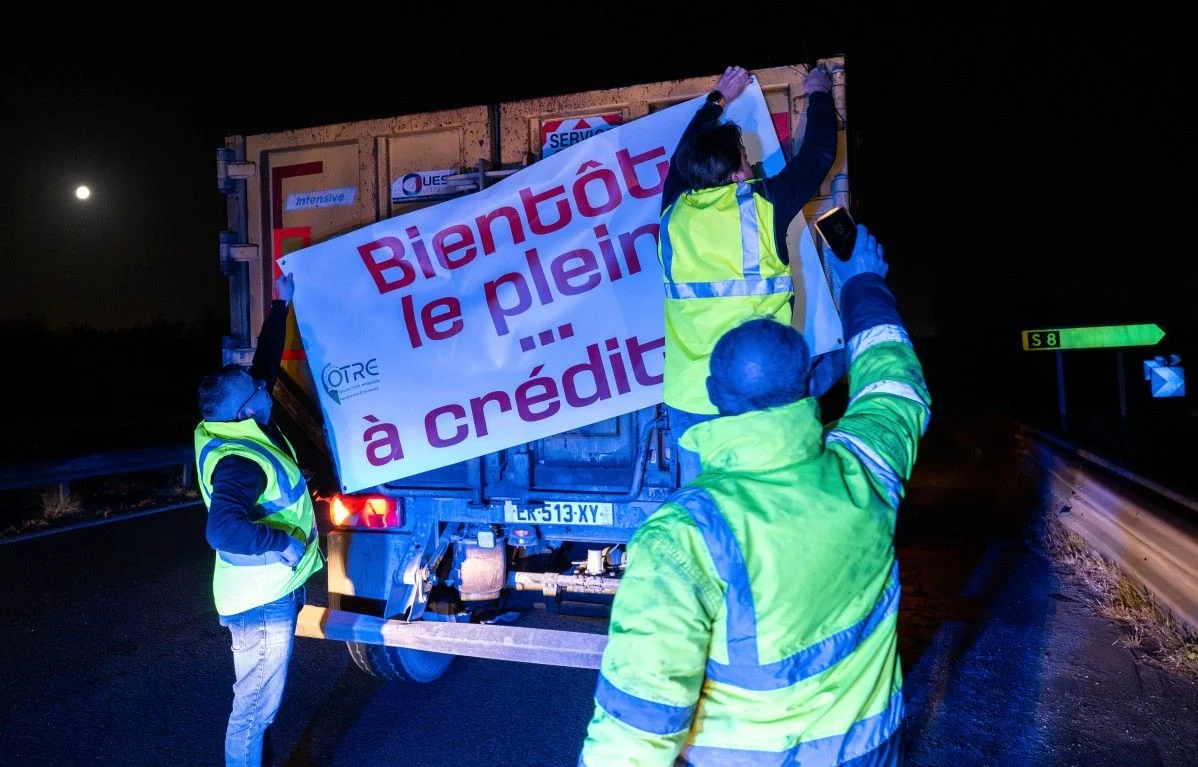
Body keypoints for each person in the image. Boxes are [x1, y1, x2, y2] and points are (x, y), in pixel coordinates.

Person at [581, 227, 930, 766]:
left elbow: (640, 720)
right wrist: (861, 282)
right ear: (808, 383)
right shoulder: (867, 469)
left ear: (715, 396)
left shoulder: (685, 537)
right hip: (871, 751)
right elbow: (895, 387)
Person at [659, 63, 838, 484]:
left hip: (688, 400)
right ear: (738, 172)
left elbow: (678, 161)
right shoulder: (763, 205)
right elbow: (818, 157)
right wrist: (818, 92)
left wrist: (718, 97)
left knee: (705, 516)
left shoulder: (671, 214)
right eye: (746, 158)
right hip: (754, 395)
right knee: (762, 509)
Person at [194, 273, 323, 767]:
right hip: (260, 600)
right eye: (258, 391)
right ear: (244, 410)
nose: (267, 390)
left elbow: (265, 364)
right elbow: (222, 529)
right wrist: (281, 544)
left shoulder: (233, 420)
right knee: (253, 710)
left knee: (258, 707)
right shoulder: (238, 460)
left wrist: (279, 305)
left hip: (263, 592)